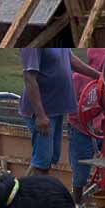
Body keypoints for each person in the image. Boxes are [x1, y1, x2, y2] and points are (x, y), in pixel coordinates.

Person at [19, 48, 78, 179]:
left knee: (47, 159)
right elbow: (29, 77)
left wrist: (98, 75)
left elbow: (71, 59)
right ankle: (35, 195)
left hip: (55, 109)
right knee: (42, 162)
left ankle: (25, 190)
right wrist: (40, 115)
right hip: (42, 112)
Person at [66, 50, 105, 207]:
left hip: (101, 129)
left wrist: (99, 123)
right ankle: (77, 202)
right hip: (79, 128)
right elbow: (70, 107)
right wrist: (86, 116)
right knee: (80, 163)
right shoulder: (76, 79)